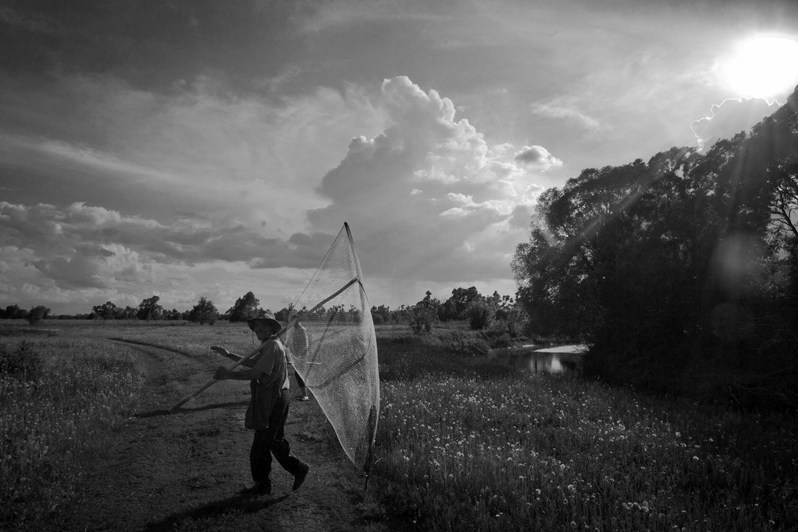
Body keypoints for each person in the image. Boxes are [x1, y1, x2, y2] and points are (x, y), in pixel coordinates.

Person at [211, 311, 310, 495]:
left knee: (261, 444)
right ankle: (297, 469)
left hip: (275, 398)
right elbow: (253, 363)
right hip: (279, 396)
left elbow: (257, 373)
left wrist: (228, 375)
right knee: (273, 441)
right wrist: (229, 354)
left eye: (264, 325)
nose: (259, 328)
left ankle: (263, 484)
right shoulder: (269, 344)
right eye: (257, 325)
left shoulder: (272, 345)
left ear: (272, 328)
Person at [291, 321, 310, 401]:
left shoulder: (302, 330)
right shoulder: (295, 330)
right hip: (297, 356)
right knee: (298, 374)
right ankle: (303, 394)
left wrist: (299, 355)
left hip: (301, 357)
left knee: (300, 374)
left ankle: (305, 395)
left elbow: (305, 344)